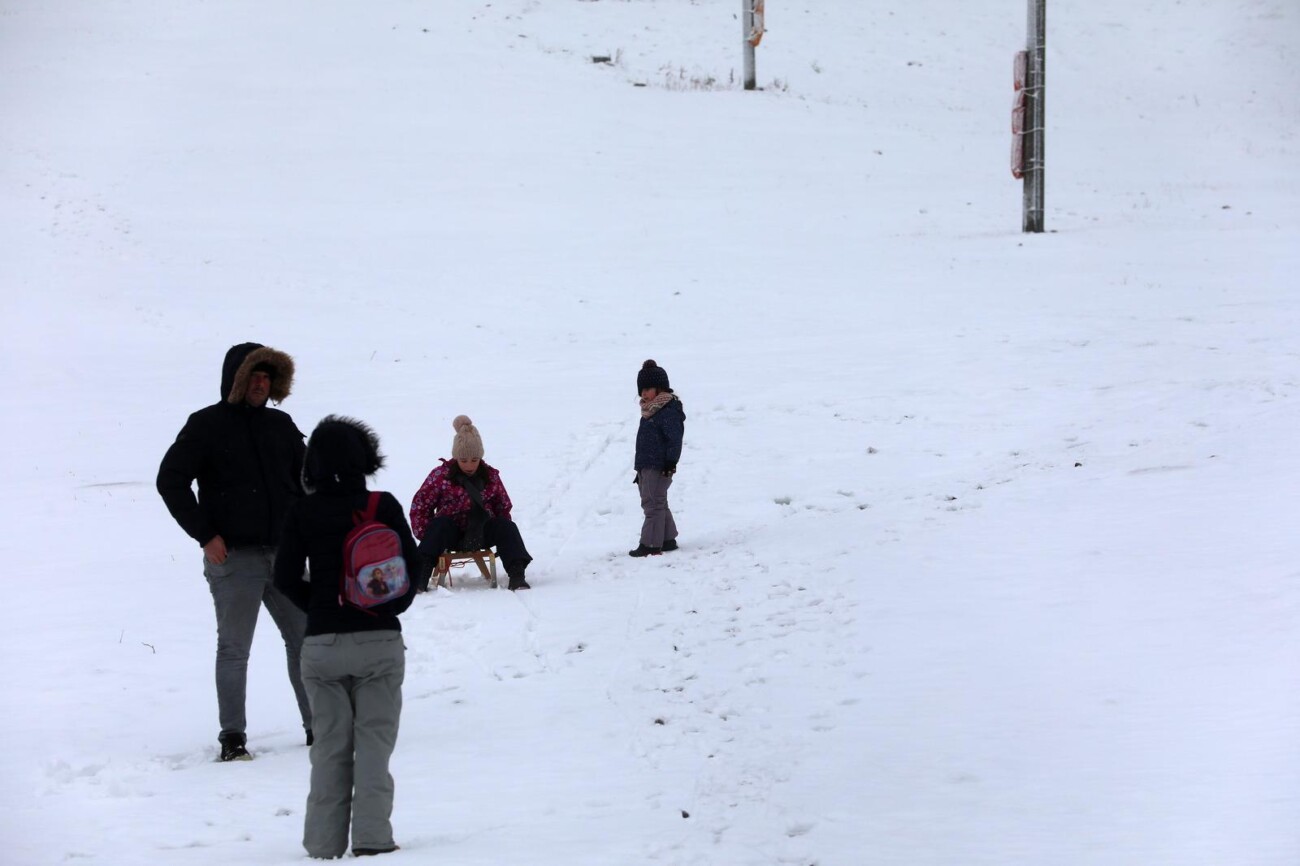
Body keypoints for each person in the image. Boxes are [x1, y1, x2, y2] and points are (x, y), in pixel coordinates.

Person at [156, 342, 313, 762]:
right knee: (234, 650)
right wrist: (205, 535)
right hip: (233, 560)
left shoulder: (281, 426)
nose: (260, 384)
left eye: (267, 378)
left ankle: (320, 728)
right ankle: (233, 739)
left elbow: (306, 482)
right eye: (253, 377)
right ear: (236, 380)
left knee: (306, 642)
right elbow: (170, 481)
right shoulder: (206, 425)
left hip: (285, 556)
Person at [274, 415, 417, 860]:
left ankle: (322, 844)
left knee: (330, 749)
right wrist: (385, 608)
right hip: (379, 642)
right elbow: (412, 572)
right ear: (364, 457)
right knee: (374, 745)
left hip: (322, 646)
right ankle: (373, 840)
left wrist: (319, 607)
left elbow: (283, 577)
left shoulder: (302, 511)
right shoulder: (384, 505)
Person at [409, 415, 533, 591]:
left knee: (507, 526)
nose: (469, 465)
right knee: (440, 524)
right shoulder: (441, 476)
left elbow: (502, 506)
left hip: (482, 532)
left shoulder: (490, 476)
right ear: (456, 457)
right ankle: (421, 577)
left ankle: (517, 575)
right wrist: (428, 535)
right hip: (451, 534)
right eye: (464, 460)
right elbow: (420, 506)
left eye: (474, 460)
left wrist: (500, 528)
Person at [630, 359, 685, 557]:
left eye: (648, 388)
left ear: (660, 388)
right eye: (641, 389)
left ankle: (651, 544)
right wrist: (641, 470)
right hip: (647, 465)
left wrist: (671, 462)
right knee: (659, 501)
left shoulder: (667, 410)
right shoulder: (649, 410)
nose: (644, 393)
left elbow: (674, 439)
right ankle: (667, 539)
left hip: (660, 465)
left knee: (652, 504)